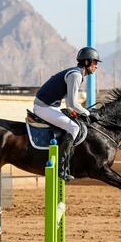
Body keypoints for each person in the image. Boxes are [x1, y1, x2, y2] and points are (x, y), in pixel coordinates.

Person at [33, 47, 101, 181]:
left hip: (50, 106)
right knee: (74, 128)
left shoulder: (75, 73)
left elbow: (68, 102)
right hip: (43, 107)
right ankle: (61, 167)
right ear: (86, 62)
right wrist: (88, 113)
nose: (96, 66)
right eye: (94, 63)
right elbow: (72, 103)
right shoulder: (76, 75)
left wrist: (73, 110)